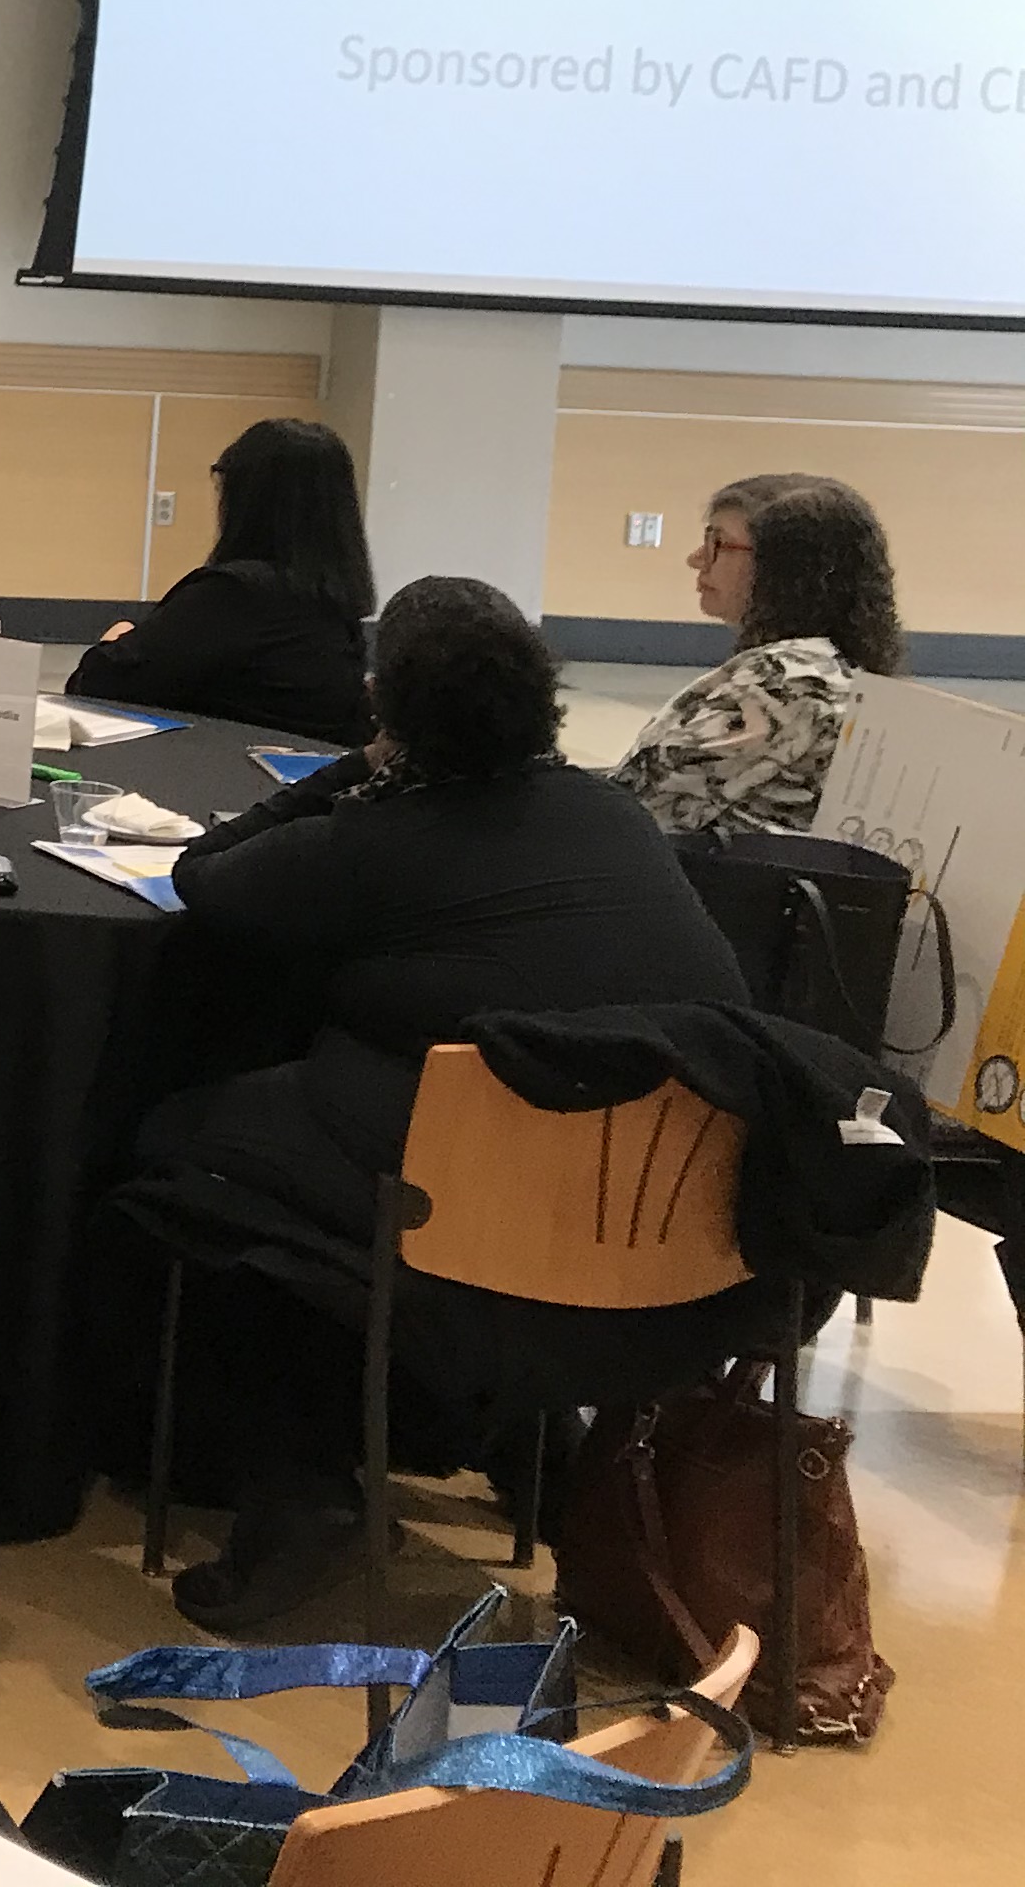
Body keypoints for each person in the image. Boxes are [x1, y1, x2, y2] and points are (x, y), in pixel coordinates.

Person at [126, 575, 749, 1631]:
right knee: (398, 1165)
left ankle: (301, 1491)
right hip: (672, 1236)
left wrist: (358, 769)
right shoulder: (614, 817)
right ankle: (523, 1443)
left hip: (478, 1221)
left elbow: (207, 875)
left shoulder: (384, 837)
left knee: (194, 1159)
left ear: (386, 704)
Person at [612, 473, 903, 837]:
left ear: (785, 567)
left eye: (718, 543)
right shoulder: (833, 669)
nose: (696, 559)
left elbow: (640, 807)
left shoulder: (789, 682)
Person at [65, 416, 374, 746]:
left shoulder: (237, 595)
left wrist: (117, 638)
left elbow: (96, 683)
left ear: (247, 498)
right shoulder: (336, 605)